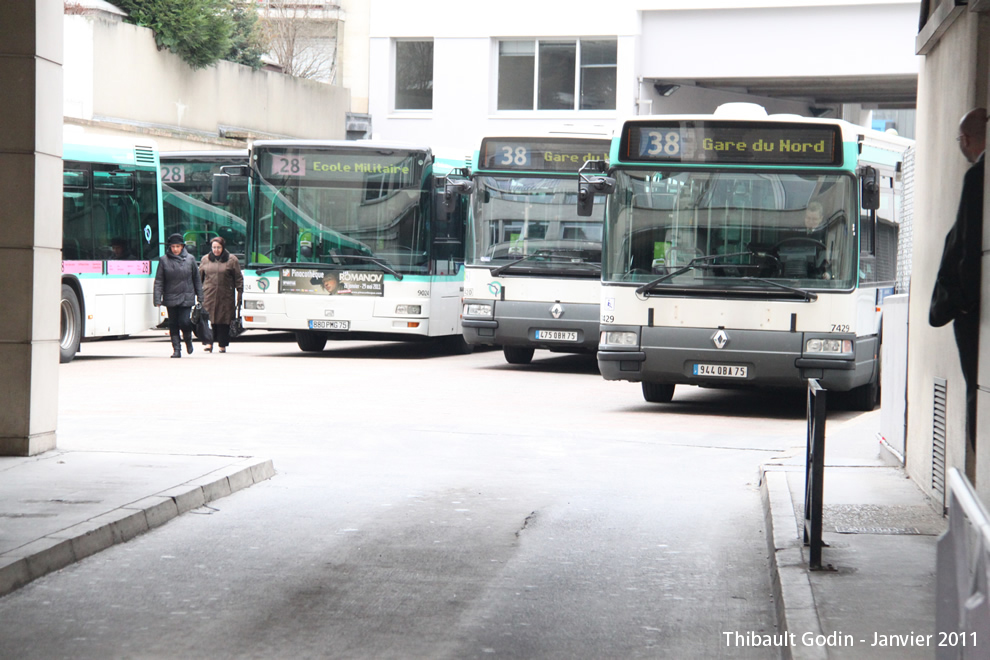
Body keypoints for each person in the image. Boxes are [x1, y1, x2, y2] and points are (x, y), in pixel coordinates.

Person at [930, 107, 987, 474]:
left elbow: (967, 245)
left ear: (966, 140)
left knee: (976, 389)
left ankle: (980, 467)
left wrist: (963, 303)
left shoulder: (977, 177)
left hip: (975, 311)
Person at [154, 233, 203, 358]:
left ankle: (188, 339)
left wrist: (200, 296)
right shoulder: (164, 260)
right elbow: (159, 280)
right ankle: (176, 349)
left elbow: (197, 279)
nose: (175, 249)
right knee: (173, 324)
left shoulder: (190, 259)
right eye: (173, 246)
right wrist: (157, 298)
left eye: (177, 246)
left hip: (186, 296)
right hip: (170, 296)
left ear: (182, 247)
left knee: (185, 321)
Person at [199, 236, 243, 353]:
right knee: (209, 319)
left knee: (224, 320)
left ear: (223, 247)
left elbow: (238, 278)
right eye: (214, 247)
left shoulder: (232, 260)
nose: (216, 250)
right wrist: (198, 292)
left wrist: (239, 291)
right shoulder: (205, 259)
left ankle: (222, 345)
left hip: (225, 295)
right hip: (209, 294)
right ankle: (208, 343)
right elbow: (200, 278)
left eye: (218, 247)